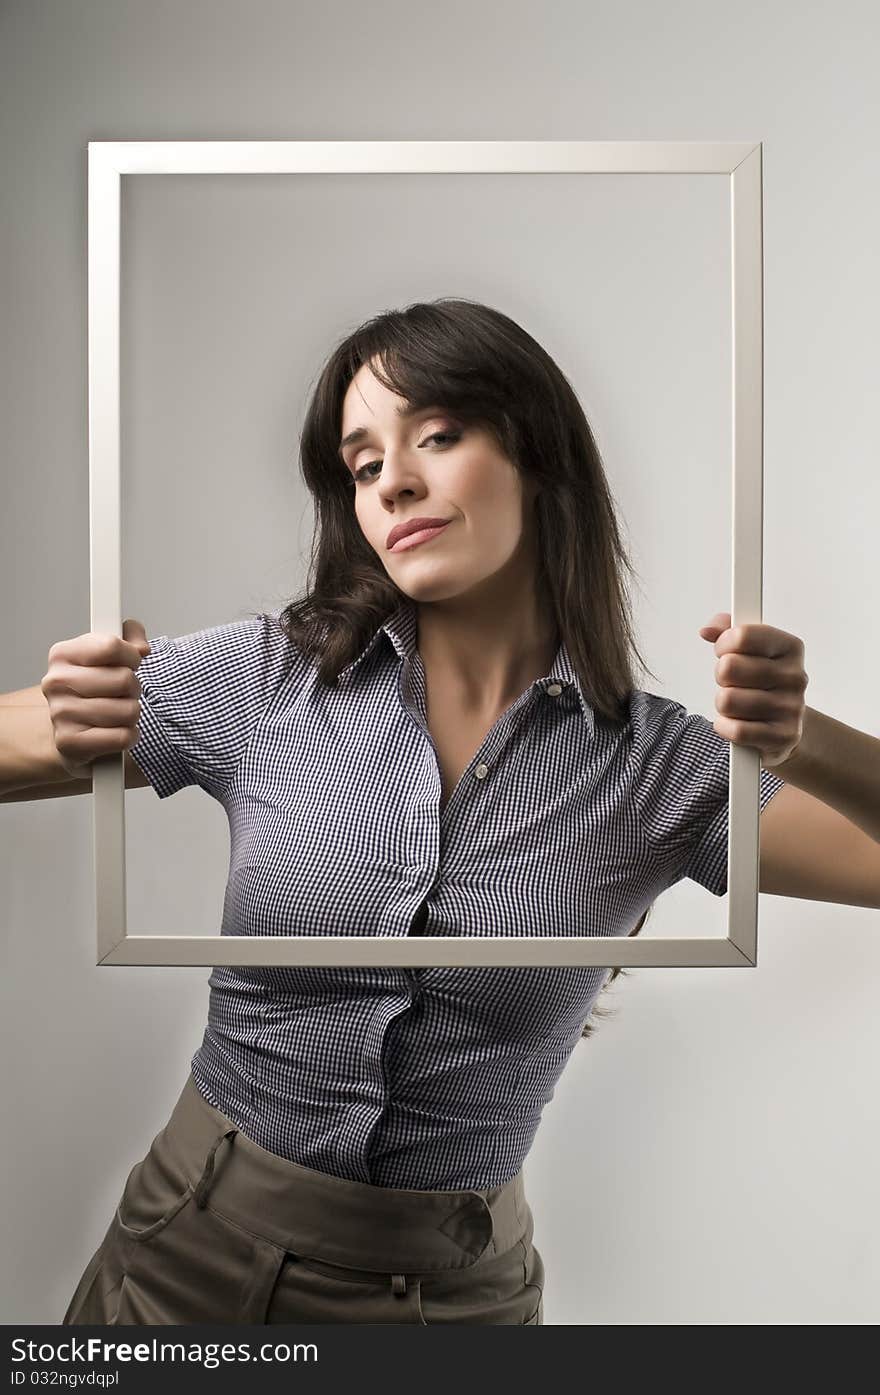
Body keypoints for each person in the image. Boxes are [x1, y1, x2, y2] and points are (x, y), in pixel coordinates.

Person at [2, 298, 788, 1325]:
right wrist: (71, 717)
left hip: (456, 1302)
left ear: (538, 455)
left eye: (437, 435)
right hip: (182, 1258)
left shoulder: (659, 769)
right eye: (361, 465)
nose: (395, 483)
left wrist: (800, 736)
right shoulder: (267, 677)